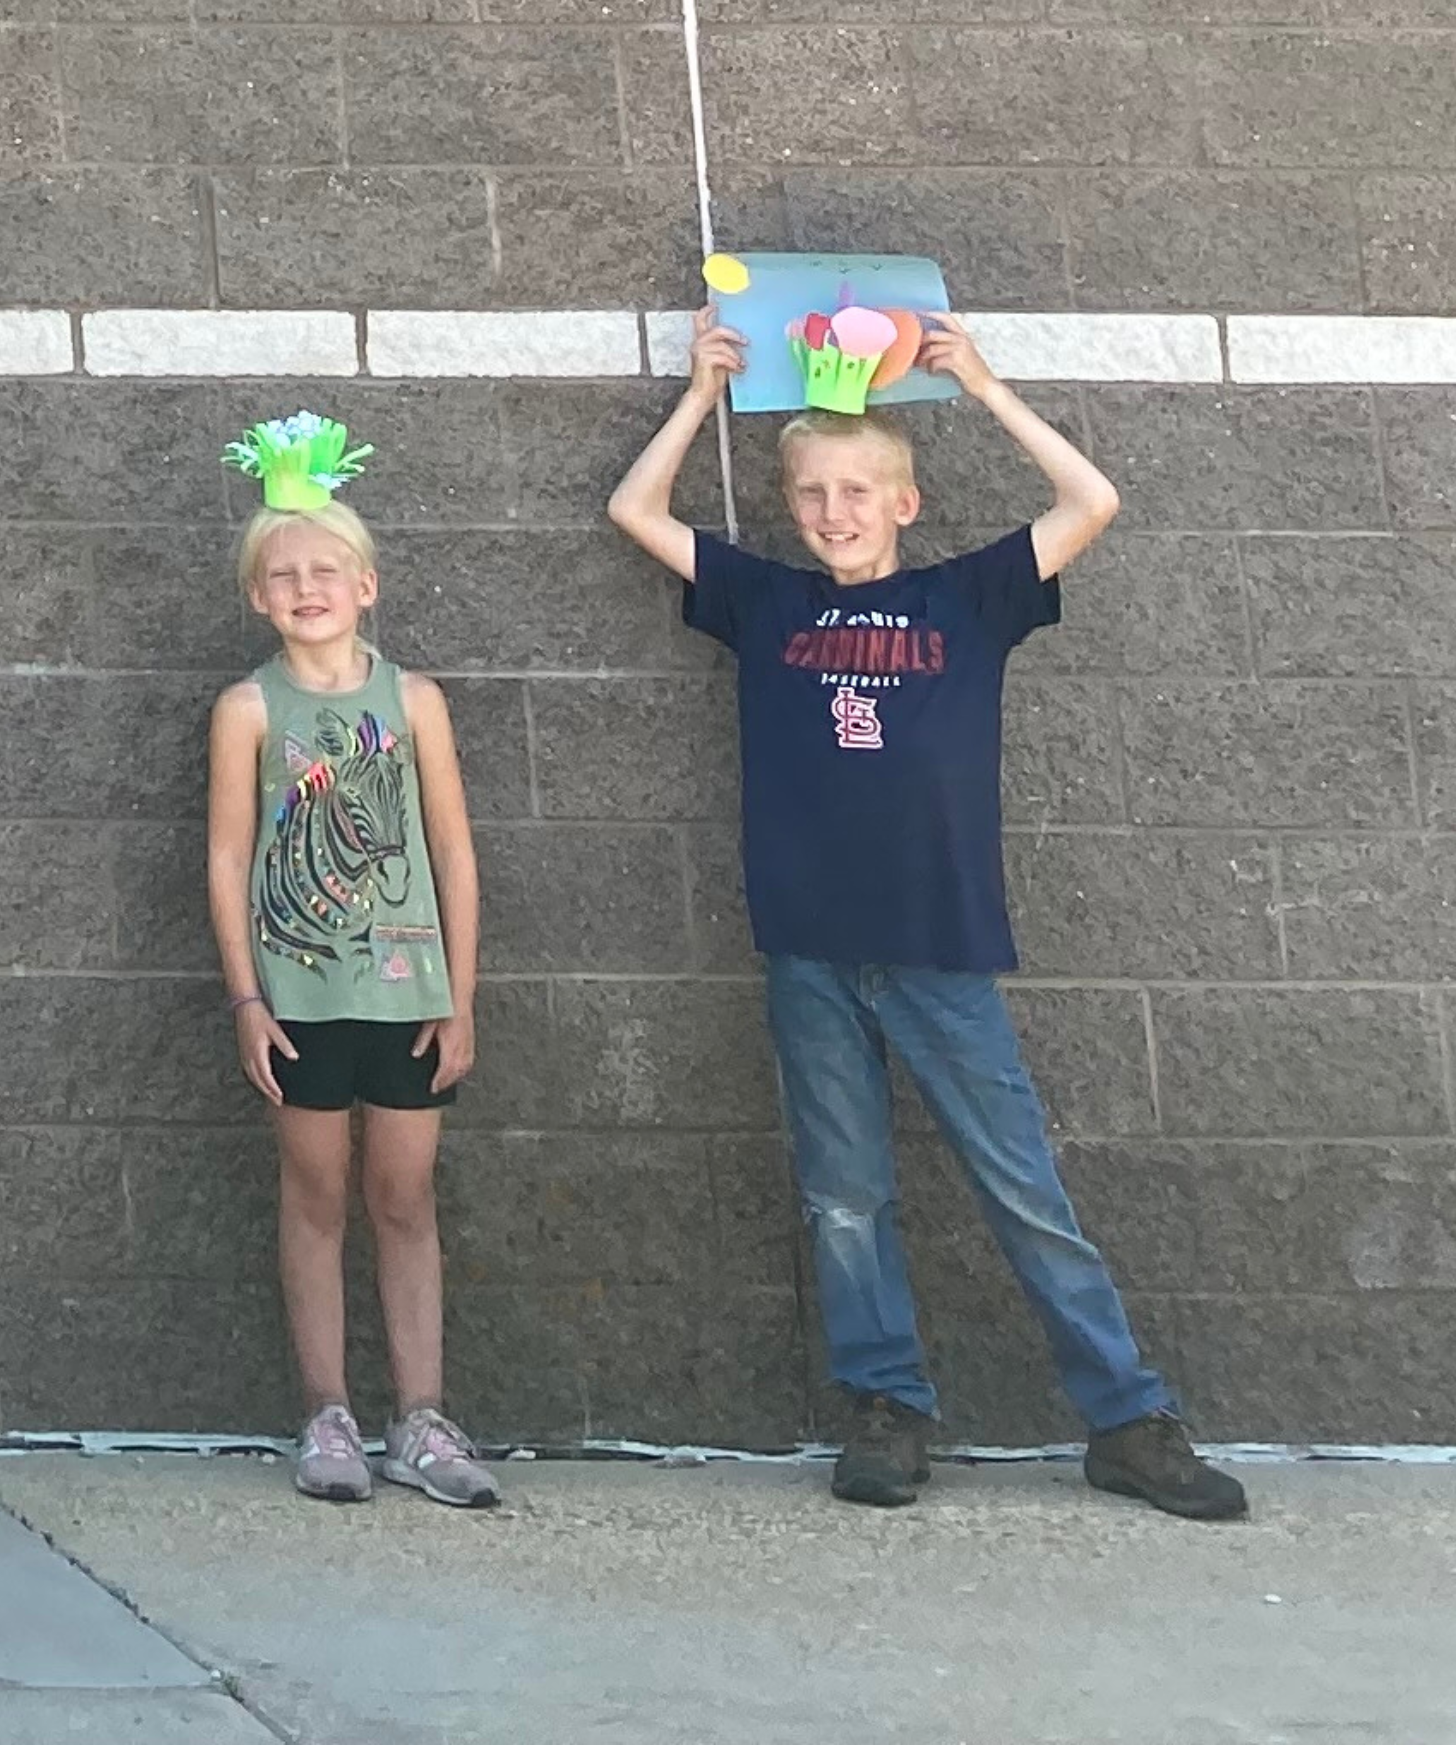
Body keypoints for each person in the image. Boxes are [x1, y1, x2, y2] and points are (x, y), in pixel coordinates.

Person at [607, 314, 1245, 1521]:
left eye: (858, 491)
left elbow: (1091, 497)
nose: (833, 511)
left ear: (905, 502)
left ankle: (1126, 1418)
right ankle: (887, 1408)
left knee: (1020, 1188)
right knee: (845, 1195)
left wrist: (985, 384)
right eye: (811, 491)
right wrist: (698, 395)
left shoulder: (968, 599)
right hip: (809, 948)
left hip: (940, 950)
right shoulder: (768, 603)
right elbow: (637, 514)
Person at [199, 467, 496, 1507]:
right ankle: (326, 1412)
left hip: (409, 988)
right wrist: (246, 1000)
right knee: (316, 1193)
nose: (306, 586)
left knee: (404, 1196)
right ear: (257, 596)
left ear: (367, 585)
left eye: (327, 569)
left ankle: (423, 1416)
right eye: (283, 574)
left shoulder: (414, 702)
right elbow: (228, 857)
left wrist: (458, 996)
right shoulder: (247, 709)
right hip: (300, 995)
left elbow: (452, 850)